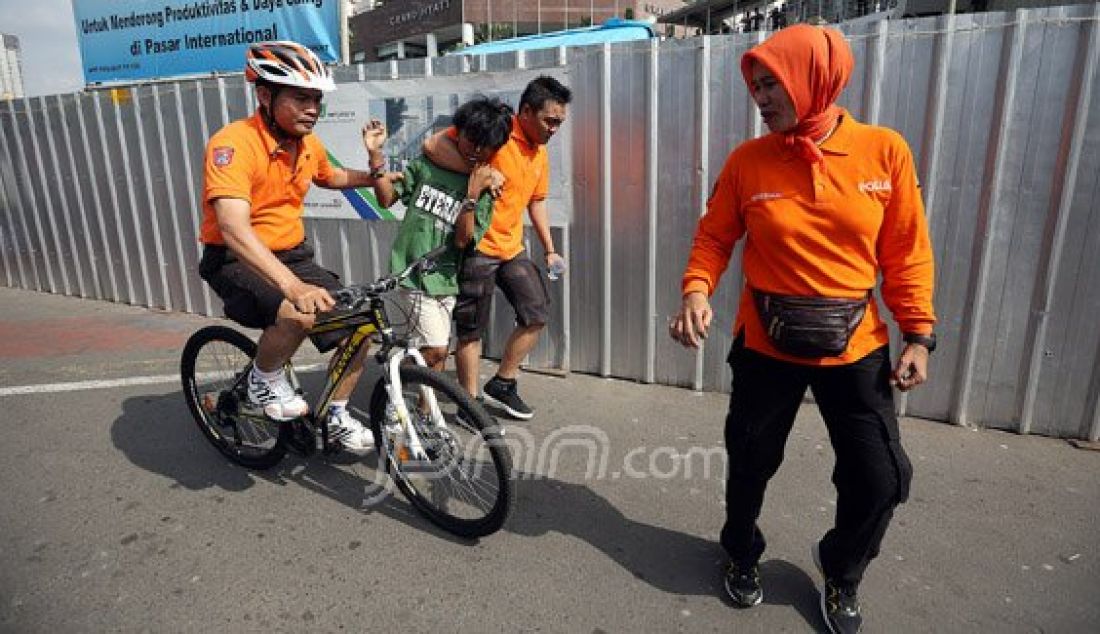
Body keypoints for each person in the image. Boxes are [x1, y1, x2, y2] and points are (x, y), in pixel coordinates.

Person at [669, 25, 935, 634]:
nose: (761, 96)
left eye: (773, 83)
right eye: (756, 85)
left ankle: (842, 567)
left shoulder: (883, 152)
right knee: (751, 459)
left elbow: (906, 251)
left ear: (815, 79)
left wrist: (918, 332)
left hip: (857, 348)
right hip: (766, 345)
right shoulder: (747, 161)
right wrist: (695, 289)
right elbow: (715, 236)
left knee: (883, 476)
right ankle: (740, 550)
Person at [198, 41, 391, 453]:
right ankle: (262, 380)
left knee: (358, 325)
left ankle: (337, 413)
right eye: (301, 97)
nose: (312, 108)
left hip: (291, 254)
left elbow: (333, 178)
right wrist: (292, 287)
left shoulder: (306, 145)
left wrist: (378, 170)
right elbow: (233, 229)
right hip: (234, 257)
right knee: (297, 313)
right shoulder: (232, 144)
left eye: (316, 99)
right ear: (265, 95)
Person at [422, 76, 573, 421]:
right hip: (477, 247)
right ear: (526, 112)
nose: (554, 129)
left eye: (559, 123)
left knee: (536, 315)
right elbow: (433, 146)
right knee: (471, 330)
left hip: (511, 248)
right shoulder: (499, 135)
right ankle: (469, 405)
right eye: (550, 121)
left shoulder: (540, 153)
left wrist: (550, 248)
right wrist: (483, 174)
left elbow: (536, 202)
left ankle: (503, 383)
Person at [371, 97, 514, 372]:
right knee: (436, 347)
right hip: (411, 273)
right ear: (457, 133)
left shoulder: (486, 189)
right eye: (473, 142)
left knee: (435, 353)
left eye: (488, 148)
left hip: (446, 279)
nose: (478, 152)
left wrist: (472, 195)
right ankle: (394, 393)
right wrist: (376, 157)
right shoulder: (429, 164)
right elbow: (386, 199)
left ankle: (424, 412)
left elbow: (462, 241)